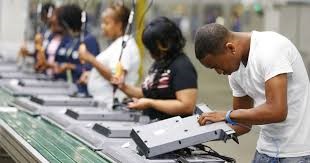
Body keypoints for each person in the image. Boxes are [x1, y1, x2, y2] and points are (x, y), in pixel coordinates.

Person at [194, 23, 310, 162]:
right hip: (264, 150)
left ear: (230, 48)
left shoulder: (270, 49)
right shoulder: (235, 70)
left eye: (217, 66)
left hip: (296, 154)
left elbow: (277, 111)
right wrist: (197, 134)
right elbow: (243, 123)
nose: (219, 72)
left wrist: (226, 115)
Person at [113, 17, 198, 120]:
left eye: (153, 47)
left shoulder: (182, 66)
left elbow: (187, 106)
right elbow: (148, 93)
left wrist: (150, 103)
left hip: (171, 130)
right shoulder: (160, 63)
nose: (151, 52)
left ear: (167, 43)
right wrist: (123, 86)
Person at [78, 3, 140, 107]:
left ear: (119, 25)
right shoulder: (117, 44)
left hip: (113, 106)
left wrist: (90, 58)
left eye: (106, 23)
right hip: (103, 105)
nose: (103, 27)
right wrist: (93, 75)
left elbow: (116, 79)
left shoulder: (125, 46)